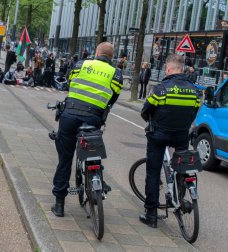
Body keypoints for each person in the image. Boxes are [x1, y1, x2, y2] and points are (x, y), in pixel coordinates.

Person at [51, 42, 123, 217]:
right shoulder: (116, 74)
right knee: (93, 152)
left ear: (97, 52)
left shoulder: (80, 64)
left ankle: (59, 204)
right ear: (111, 57)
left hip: (70, 115)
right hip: (93, 118)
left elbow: (69, 82)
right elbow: (112, 98)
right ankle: (96, 180)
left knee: (65, 158)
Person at [139, 54, 201, 228]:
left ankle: (151, 214)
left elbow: (145, 111)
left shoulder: (161, 89)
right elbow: (194, 112)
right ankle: (179, 197)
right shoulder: (195, 90)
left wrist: (154, 123)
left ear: (168, 69)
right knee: (182, 167)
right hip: (181, 135)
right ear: (182, 69)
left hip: (159, 135)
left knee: (153, 172)